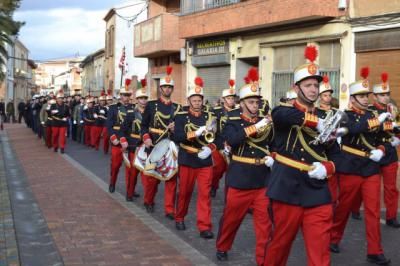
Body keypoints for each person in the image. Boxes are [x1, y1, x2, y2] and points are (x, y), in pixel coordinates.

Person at [264, 45, 336, 266]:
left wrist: (329, 167)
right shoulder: (285, 110)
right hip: (287, 187)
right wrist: (316, 122)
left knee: (320, 251)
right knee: (279, 245)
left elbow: (337, 153)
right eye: (308, 85)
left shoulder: (329, 116)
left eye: (316, 85)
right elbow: (281, 115)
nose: (314, 90)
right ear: (296, 88)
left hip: (317, 190)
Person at [329, 67, 391, 265]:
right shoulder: (345, 115)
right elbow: (352, 131)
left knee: (372, 211)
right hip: (351, 167)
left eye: (366, 95)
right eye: (361, 96)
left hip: (371, 168)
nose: (365, 99)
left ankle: (374, 251)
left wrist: (381, 148)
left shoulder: (373, 114)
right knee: (344, 207)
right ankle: (333, 238)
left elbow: (385, 137)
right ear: (353, 99)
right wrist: (374, 122)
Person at [216, 68, 274, 264]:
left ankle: (263, 260)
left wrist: (272, 156)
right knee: (232, 219)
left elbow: (274, 144)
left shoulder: (266, 122)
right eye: (251, 102)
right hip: (240, 178)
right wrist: (255, 127)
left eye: (257, 102)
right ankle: (223, 246)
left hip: (262, 178)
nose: (255, 105)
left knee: (265, 225)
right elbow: (232, 139)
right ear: (242, 104)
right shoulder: (233, 119)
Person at [173, 77, 217, 238]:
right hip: (187, 158)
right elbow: (176, 137)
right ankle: (179, 217)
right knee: (185, 192)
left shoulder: (209, 116)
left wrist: (210, 148)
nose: (197, 102)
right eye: (194, 99)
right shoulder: (181, 116)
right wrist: (194, 133)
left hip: (204, 159)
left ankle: (204, 226)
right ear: (189, 100)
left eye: (199, 100)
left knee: (205, 194)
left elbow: (217, 137)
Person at [140, 66, 181, 215]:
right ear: (160, 88)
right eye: (164, 87)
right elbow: (144, 126)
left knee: (171, 178)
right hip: (154, 144)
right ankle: (148, 201)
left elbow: (180, 133)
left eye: (170, 87)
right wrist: (146, 139)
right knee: (152, 178)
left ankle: (169, 209)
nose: (167, 89)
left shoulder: (177, 108)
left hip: (170, 147)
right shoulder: (151, 105)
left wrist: (175, 129)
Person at [121, 79, 149, 201]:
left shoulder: (151, 113)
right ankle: (130, 193)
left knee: (147, 174)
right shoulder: (131, 113)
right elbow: (123, 129)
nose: (143, 100)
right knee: (133, 173)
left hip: (146, 146)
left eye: (145, 98)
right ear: (137, 100)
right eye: (141, 98)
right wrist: (124, 141)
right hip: (134, 145)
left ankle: (148, 199)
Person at [106, 79, 135, 193]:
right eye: (124, 95)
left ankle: (130, 189)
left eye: (128, 95)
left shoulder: (133, 108)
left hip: (129, 141)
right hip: (117, 142)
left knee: (130, 168)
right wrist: (113, 139)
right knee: (115, 166)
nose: (126, 98)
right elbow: (109, 125)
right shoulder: (113, 108)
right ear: (120, 96)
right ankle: (112, 183)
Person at [210, 79, 236, 197]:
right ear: (223, 99)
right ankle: (213, 186)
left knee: (231, 173)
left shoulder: (238, 112)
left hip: (233, 145)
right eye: (229, 98)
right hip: (218, 144)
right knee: (218, 169)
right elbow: (212, 128)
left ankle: (229, 196)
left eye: (233, 98)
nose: (231, 100)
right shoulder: (216, 111)